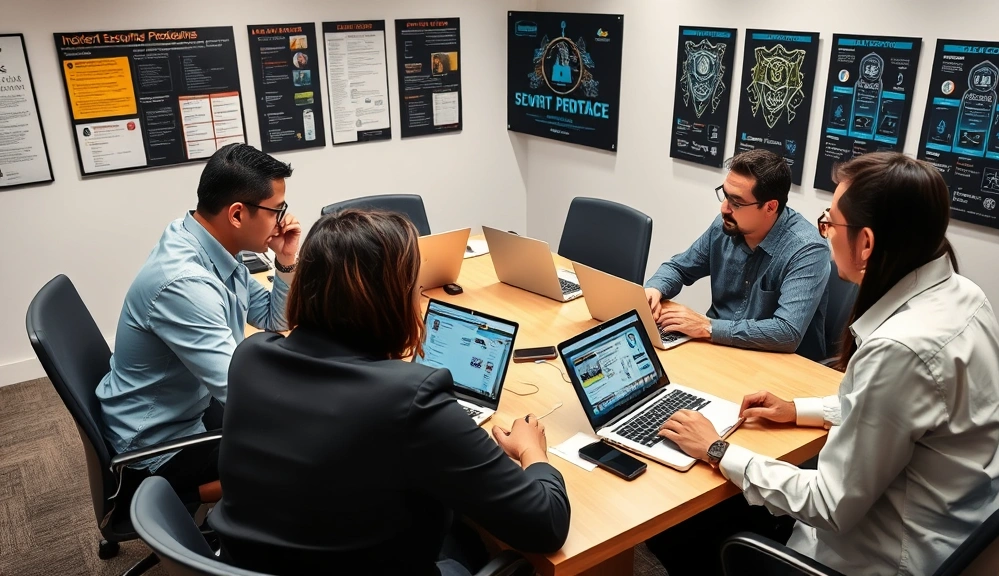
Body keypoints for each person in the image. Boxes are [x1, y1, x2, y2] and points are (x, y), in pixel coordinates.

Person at [647, 152, 999, 575]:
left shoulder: (901, 349)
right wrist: (798, 410)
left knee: (677, 523)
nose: (824, 232)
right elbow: (895, 409)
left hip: (879, 558)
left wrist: (717, 449)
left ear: (867, 243)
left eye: (831, 222)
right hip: (949, 533)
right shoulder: (964, 295)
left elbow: (829, 503)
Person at [209, 210, 571, 575]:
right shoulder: (411, 399)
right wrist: (531, 451)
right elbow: (545, 524)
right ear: (394, 299)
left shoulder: (250, 356)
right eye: (415, 287)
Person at [96, 143, 301, 502]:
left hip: (186, 409)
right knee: (305, 451)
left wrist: (285, 259)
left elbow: (273, 318)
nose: (283, 220)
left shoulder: (205, 241)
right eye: (276, 210)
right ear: (237, 215)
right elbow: (241, 394)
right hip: (158, 450)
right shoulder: (185, 283)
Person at [644, 149, 831, 360]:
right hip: (719, 351)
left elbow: (786, 332)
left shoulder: (807, 250)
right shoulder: (724, 226)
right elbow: (679, 268)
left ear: (770, 207)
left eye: (736, 202)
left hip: (778, 365)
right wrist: (655, 289)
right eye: (725, 195)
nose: (724, 208)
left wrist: (708, 327)